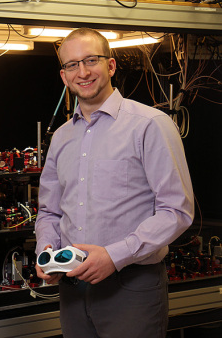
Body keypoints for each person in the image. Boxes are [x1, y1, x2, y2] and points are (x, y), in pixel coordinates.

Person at [34, 28, 194, 337]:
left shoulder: (150, 125)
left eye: (91, 60)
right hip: (72, 289)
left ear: (110, 66)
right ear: (64, 76)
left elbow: (177, 211)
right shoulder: (62, 137)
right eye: (72, 65)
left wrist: (114, 256)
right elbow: (49, 212)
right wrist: (47, 252)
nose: (82, 72)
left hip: (131, 288)